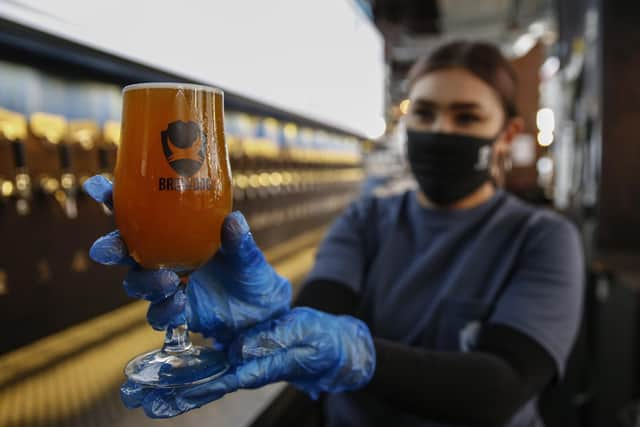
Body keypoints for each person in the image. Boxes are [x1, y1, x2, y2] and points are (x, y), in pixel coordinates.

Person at [84, 40, 583, 426]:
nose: (440, 130)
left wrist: (355, 352)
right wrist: (269, 317)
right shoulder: (366, 219)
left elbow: (501, 387)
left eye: (467, 116)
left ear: (508, 135)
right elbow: (322, 317)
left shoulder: (543, 238)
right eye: (426, 113)